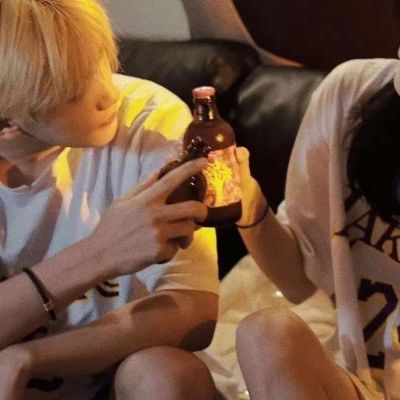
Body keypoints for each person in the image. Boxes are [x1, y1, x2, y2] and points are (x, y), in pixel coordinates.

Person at [0, 1, 219, 399]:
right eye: (73, 92)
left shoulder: (150, 120)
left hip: (115, 378)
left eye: (100, 62)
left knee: (165, 373)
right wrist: (101, 252)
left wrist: (27, 357)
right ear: (8, 124)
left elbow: (196, 309)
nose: (108, 93)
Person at [234, 55, 400, 398]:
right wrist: (244, 201)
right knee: (266, 335)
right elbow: (298, 281)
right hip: (360, 381)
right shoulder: (350, 93)